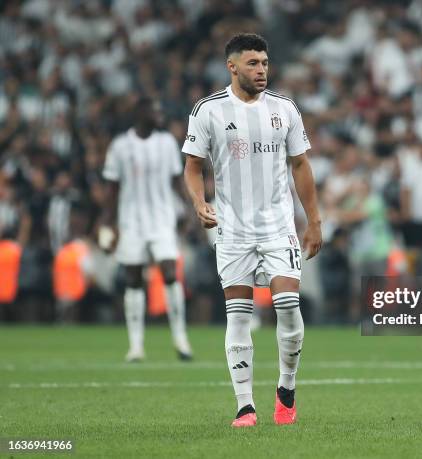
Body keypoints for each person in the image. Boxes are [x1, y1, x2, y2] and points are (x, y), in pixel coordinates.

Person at [182, 33, 322, 427]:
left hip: (278, 228)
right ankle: (245, 406)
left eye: (264, 63)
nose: (261, 70)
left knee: (288, 307)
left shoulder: (284, 108)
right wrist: (198, 202)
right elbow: (193, 165)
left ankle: (287, 388)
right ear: (232, 67)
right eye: (253, 64)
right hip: (233, 230)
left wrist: (314, 219)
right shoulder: (208, 110)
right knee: (238, 316)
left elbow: (300, 165)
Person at [101, 97, 193, 362]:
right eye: (154, 110)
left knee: (168, 271)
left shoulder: (166, 143)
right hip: (131, 220)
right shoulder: (120, 146)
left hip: (162, 218)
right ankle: (136, 345)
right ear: (140, 113)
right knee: (133, 279)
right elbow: (112, 188)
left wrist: (189, 208)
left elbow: (177, 180)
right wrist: (108, 222)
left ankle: (181, 338)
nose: (159, 114)